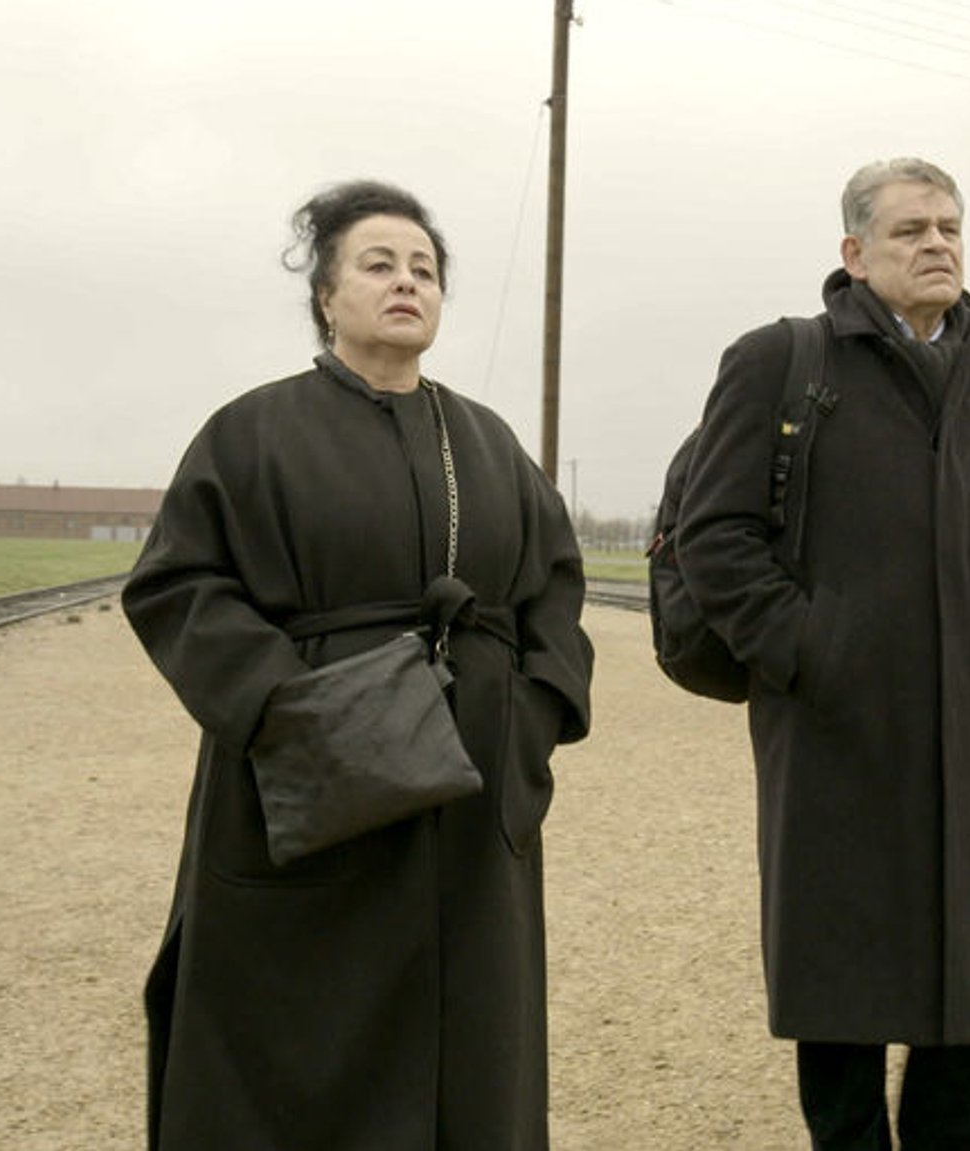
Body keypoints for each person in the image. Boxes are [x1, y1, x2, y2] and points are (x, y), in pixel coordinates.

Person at [122, 180, 593, 1150]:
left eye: (423, 268)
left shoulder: (490, 444)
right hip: (311, 788)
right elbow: (177, 587)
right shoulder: (250, 434)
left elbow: (554, 587)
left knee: (472, 1056)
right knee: (299, 1049)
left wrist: (532, 719)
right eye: (378, 264)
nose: (406, 282)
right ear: (327, 296)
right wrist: (293, 711)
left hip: (470, 810)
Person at [677, 157, 970, 1151]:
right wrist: (811, 650)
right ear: (853, 253)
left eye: (948, 227)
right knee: (841, 990)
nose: (936, 244)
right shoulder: (780, 361)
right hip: (839, 731)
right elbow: (711, 536)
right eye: (908, 230)